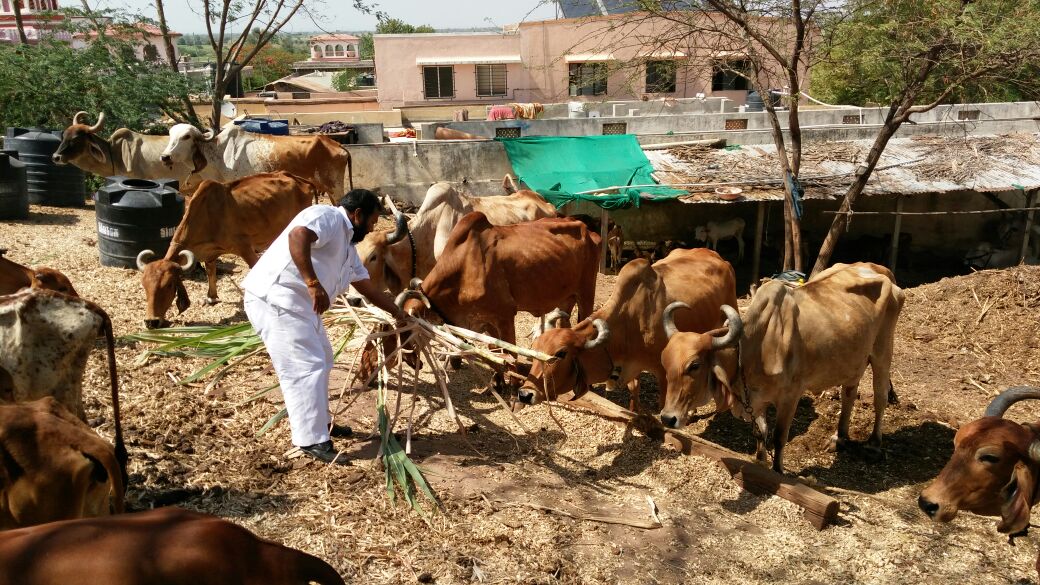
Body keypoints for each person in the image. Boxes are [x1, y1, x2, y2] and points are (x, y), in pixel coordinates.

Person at [242, 188, 408, 465]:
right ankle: (311, 440)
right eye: (372, 221)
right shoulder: (326, 216)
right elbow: (299, 236)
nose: (372, 228)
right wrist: (312, 283)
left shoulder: (347, 247)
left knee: (324, 358)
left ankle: (321, 424)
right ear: (357, 215)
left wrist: (397, 312)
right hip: (276, 300)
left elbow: (365, 285)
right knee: (306, 366)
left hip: (300, 307)